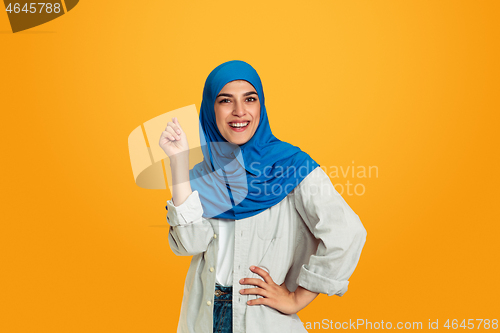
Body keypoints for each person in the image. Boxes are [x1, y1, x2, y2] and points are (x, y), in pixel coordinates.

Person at [159, 60, 367, 333]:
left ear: (261, 106)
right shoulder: (201, 173)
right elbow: (189, 244)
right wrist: (178, 163)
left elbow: (347, 232)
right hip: (203, 316)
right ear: (211, 109)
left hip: (261, 318)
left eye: (250, 99)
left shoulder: (291, 165)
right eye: (225, 101)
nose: (239, 111)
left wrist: (297, 299)